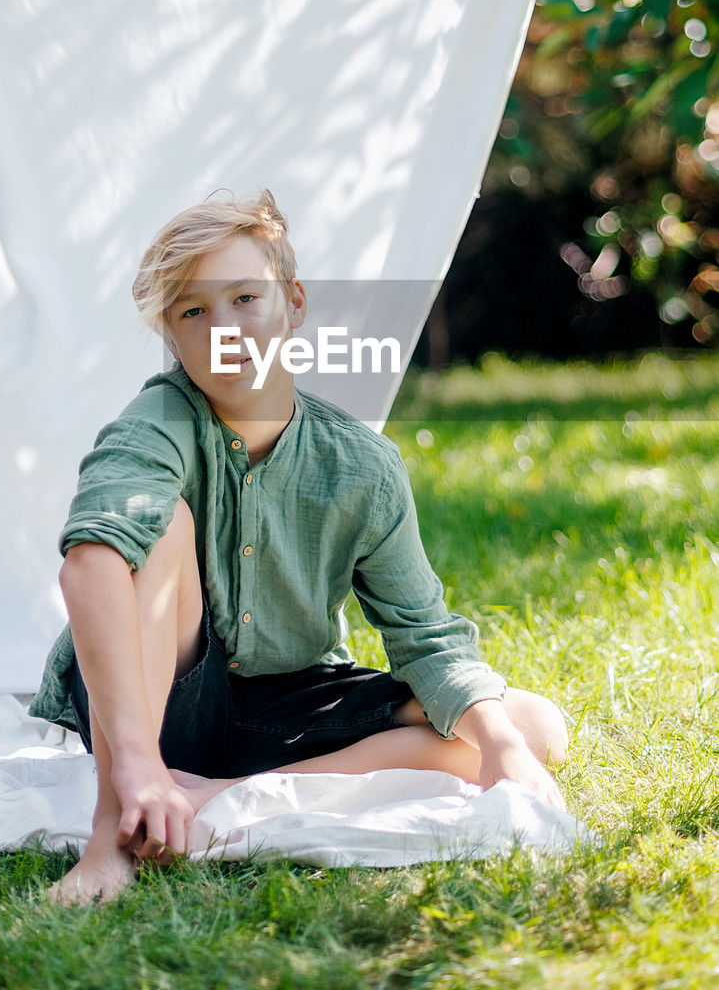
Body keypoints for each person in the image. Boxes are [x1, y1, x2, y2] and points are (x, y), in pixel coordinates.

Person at [30, 189, 568, 904]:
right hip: (158, 698)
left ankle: (223, 791)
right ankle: (120, 830)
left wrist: (498, 747)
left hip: (284, 704)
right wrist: (131, 771)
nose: (225, 327)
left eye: (245, 297)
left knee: (527, 726)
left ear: (294, 305)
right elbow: (90, 563)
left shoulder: (361, 465)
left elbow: (425, 635)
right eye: (193, 311)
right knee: (164, 527)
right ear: (171, 335)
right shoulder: (156, 424)